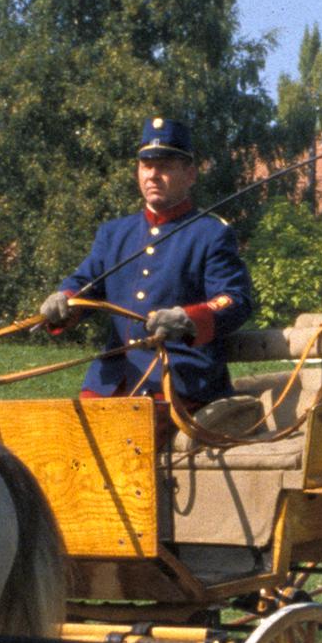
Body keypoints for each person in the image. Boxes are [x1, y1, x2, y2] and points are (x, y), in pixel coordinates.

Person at [40, 114, 256, 416]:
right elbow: (85, 284)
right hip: (111, 383)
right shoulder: (114, 233)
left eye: (165, 166)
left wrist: (188, 318)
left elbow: (235, 300)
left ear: (190, 174)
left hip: (179, 386)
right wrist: (64, 302)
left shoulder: (211, 234)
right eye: (146, 165)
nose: (153, 175)